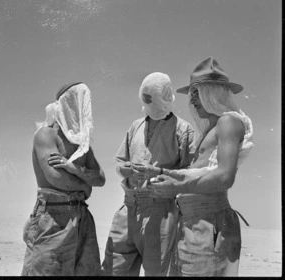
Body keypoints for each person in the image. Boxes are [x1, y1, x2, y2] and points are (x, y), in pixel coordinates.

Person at [148, 57, 254, 276]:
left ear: (213, 92)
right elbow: (201, 172)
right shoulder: (211, 130)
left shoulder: (228, 122)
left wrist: (175, 188)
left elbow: (224, 177)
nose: (192, 100)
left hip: (210, 224)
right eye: (192, 94)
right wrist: (159, 173)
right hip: (191, 224)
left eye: (198, 92)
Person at [101, 72, 195, 276]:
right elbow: (119, 161)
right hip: (128, 206)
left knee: (155, 271)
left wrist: (159, 172)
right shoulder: (136, 125)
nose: (147, 102)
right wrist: (123, 168)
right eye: (145, 97)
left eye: (152, 97)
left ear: (166, 97)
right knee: (112, 269)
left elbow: (190, 174)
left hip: (160, 209)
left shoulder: (183, 129)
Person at [21, 82, 106, 276]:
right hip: (52, 218)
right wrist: (86, 187)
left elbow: (100, 178)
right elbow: (58, 180)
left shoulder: (82, 145)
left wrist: (73, 168)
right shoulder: (45, 135)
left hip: (81, 217)